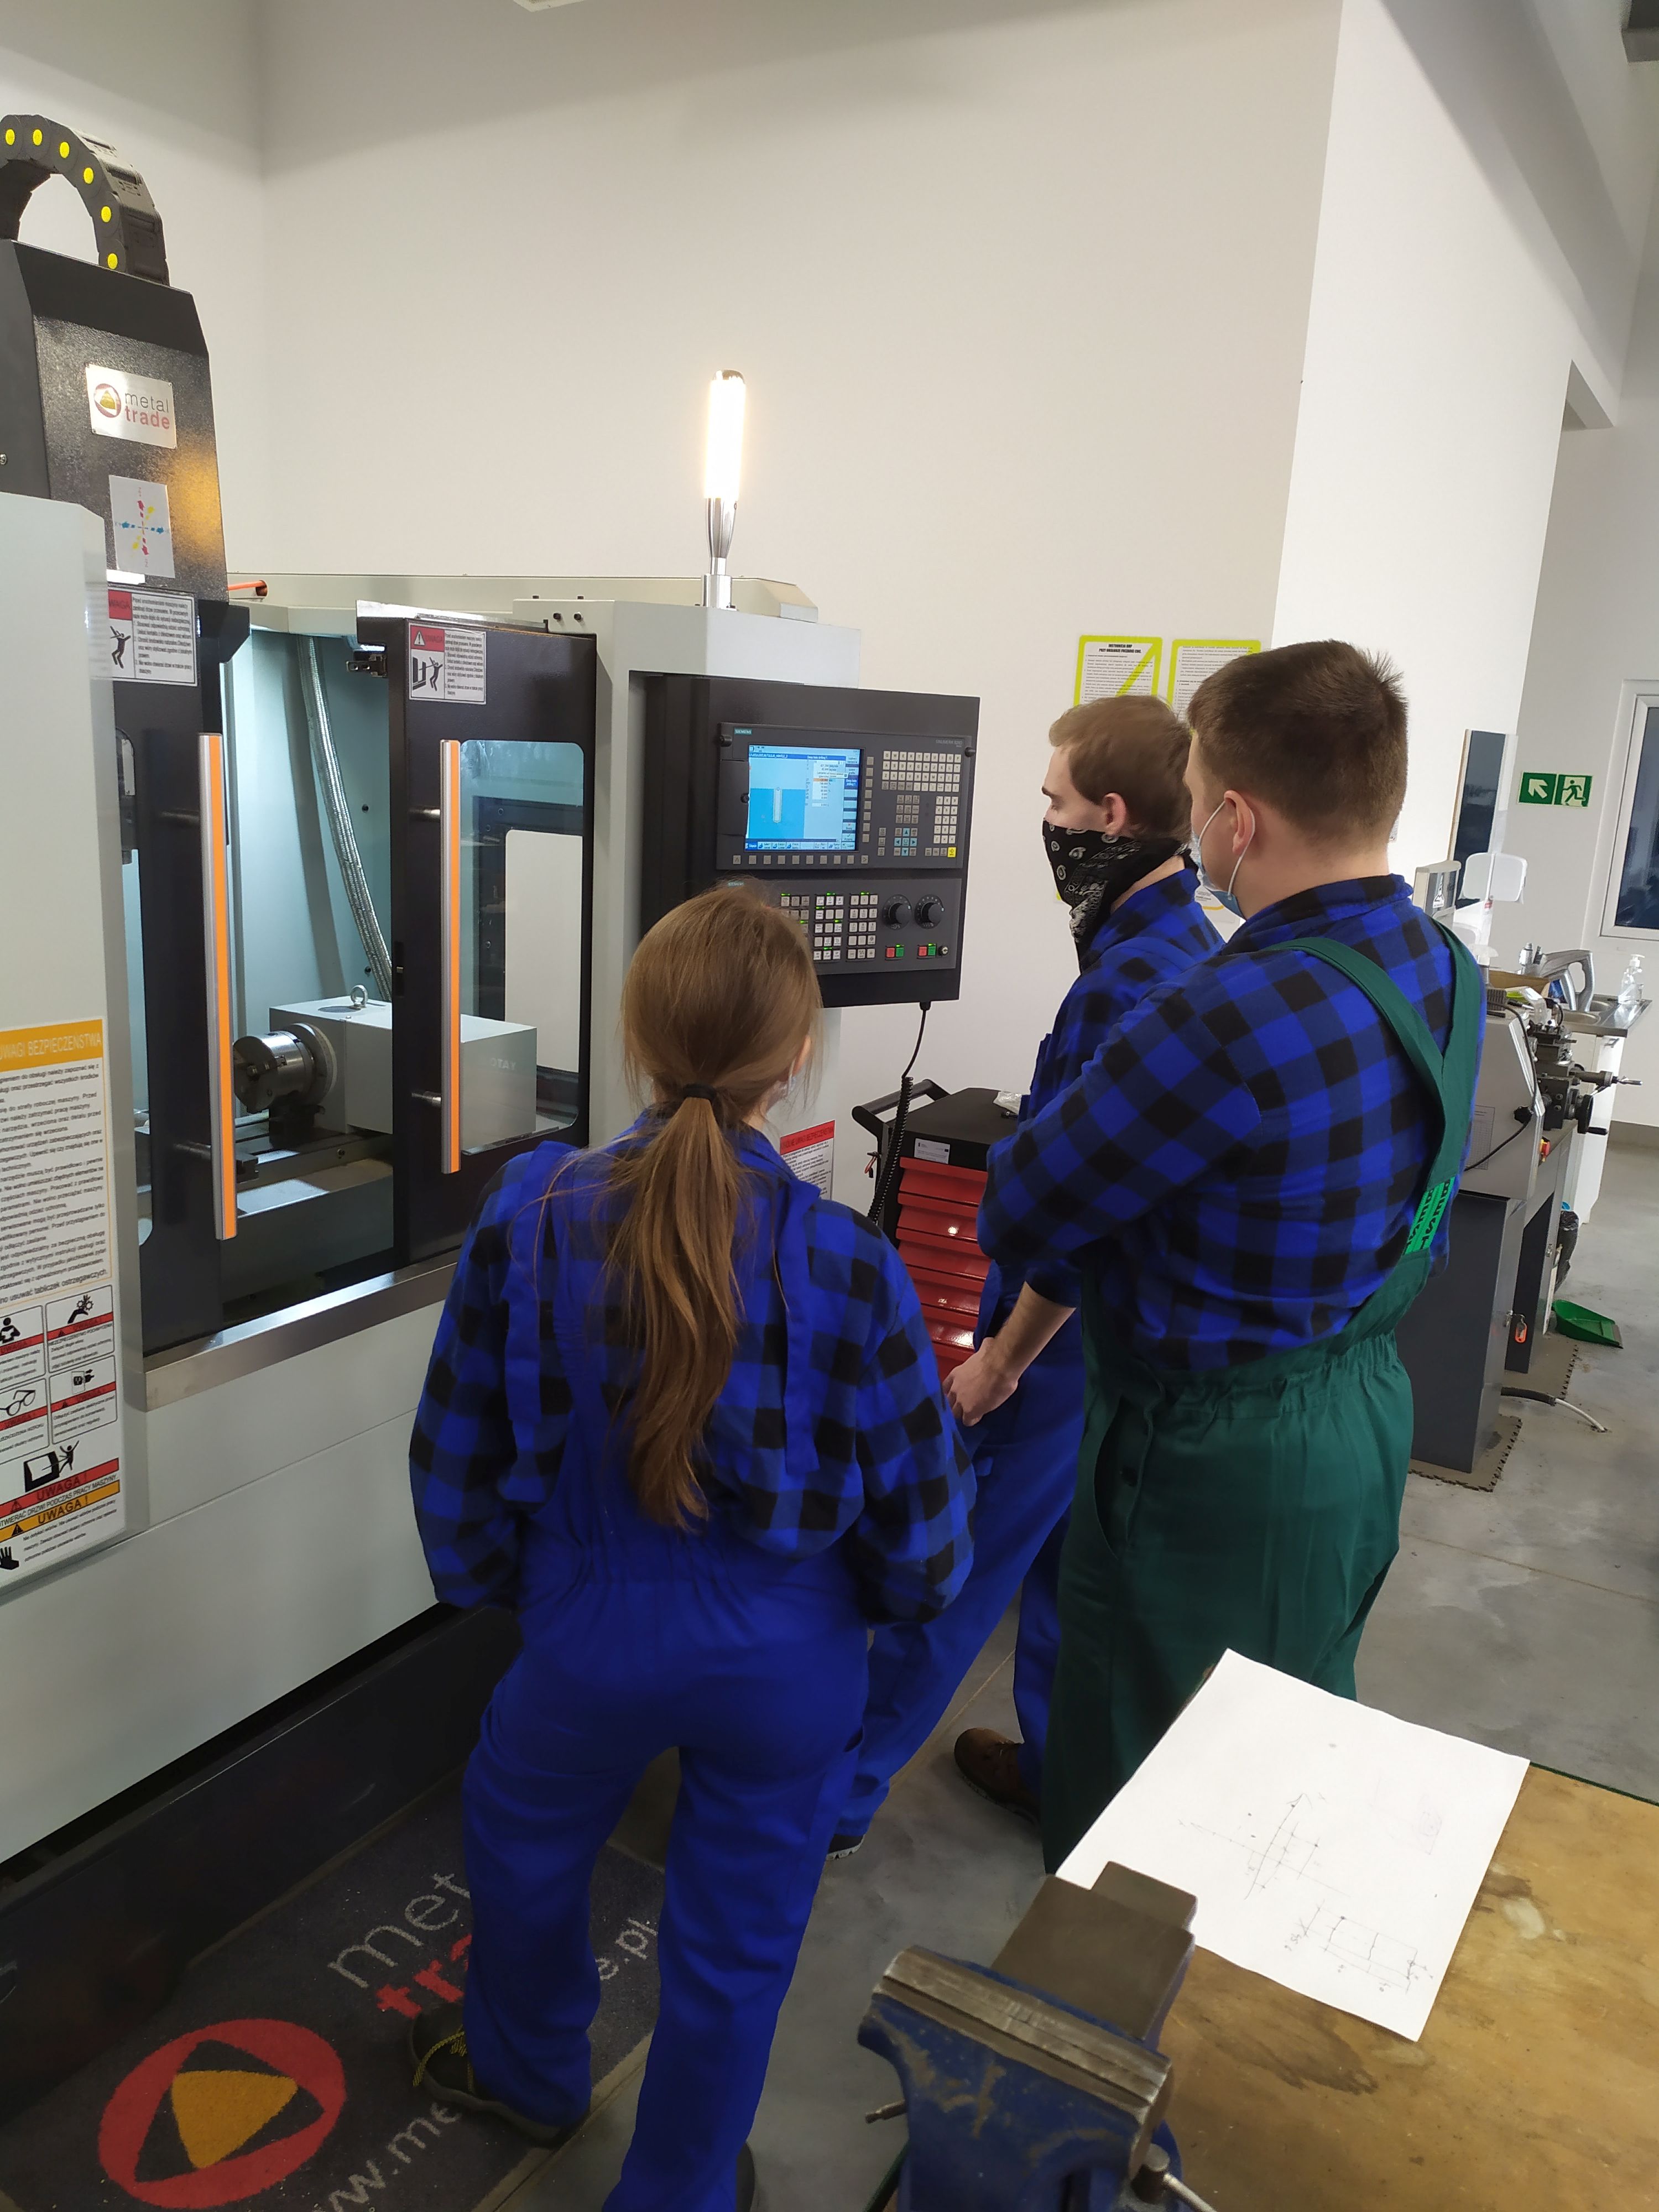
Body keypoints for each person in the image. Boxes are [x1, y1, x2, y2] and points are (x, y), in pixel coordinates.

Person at [406, 886, 973, 2212]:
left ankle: (529, 2074)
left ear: (637, 1040)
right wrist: (852, 1615)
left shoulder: (531, 1210)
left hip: (584, 1639)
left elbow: (454, 1452)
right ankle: (679, 2187)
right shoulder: (848, 1260)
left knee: (520, 1848)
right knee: (737, 1947)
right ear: (797, 1057)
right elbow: (927, 1535)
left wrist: (516, 1587)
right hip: (788, 1665)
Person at [979, 642, 1483, 1872]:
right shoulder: (1446, 970)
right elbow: (1419, 1198)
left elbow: (1026, 1210)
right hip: (1360, 1411)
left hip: (1205, 1461)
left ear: (1237, 821)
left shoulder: (1224, 1012)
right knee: (1283, 1741)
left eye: (1202, 798)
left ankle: (1107, 1994)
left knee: (1137, 1793)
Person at [828, 697, 1220, 1856]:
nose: (1044, 820)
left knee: (956, 1561)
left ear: (1112, 815)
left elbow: (1091, 1203)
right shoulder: (1180, 945)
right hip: (1118, 1334)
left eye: (1055, 800)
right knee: (1066, 1565)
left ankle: (835, 1796)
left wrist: (1002, 1359)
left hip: (1058, 1340)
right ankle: (1059, 1768)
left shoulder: (1131, 980)